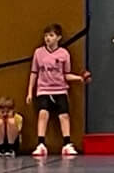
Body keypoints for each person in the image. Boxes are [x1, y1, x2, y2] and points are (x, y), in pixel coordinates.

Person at [28, 23, 90, 157]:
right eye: (46, 36)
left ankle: (67, 144)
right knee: (43, 114)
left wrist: (79, 78)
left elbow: (66, 74)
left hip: (60, 90)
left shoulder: (64, 54)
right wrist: (29, 92)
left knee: (64, 116)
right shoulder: (38, 53)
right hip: (43, 90)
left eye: (51, 35)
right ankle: (41, 144)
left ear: (59, 38)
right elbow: (34, 72)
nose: (48, 38)